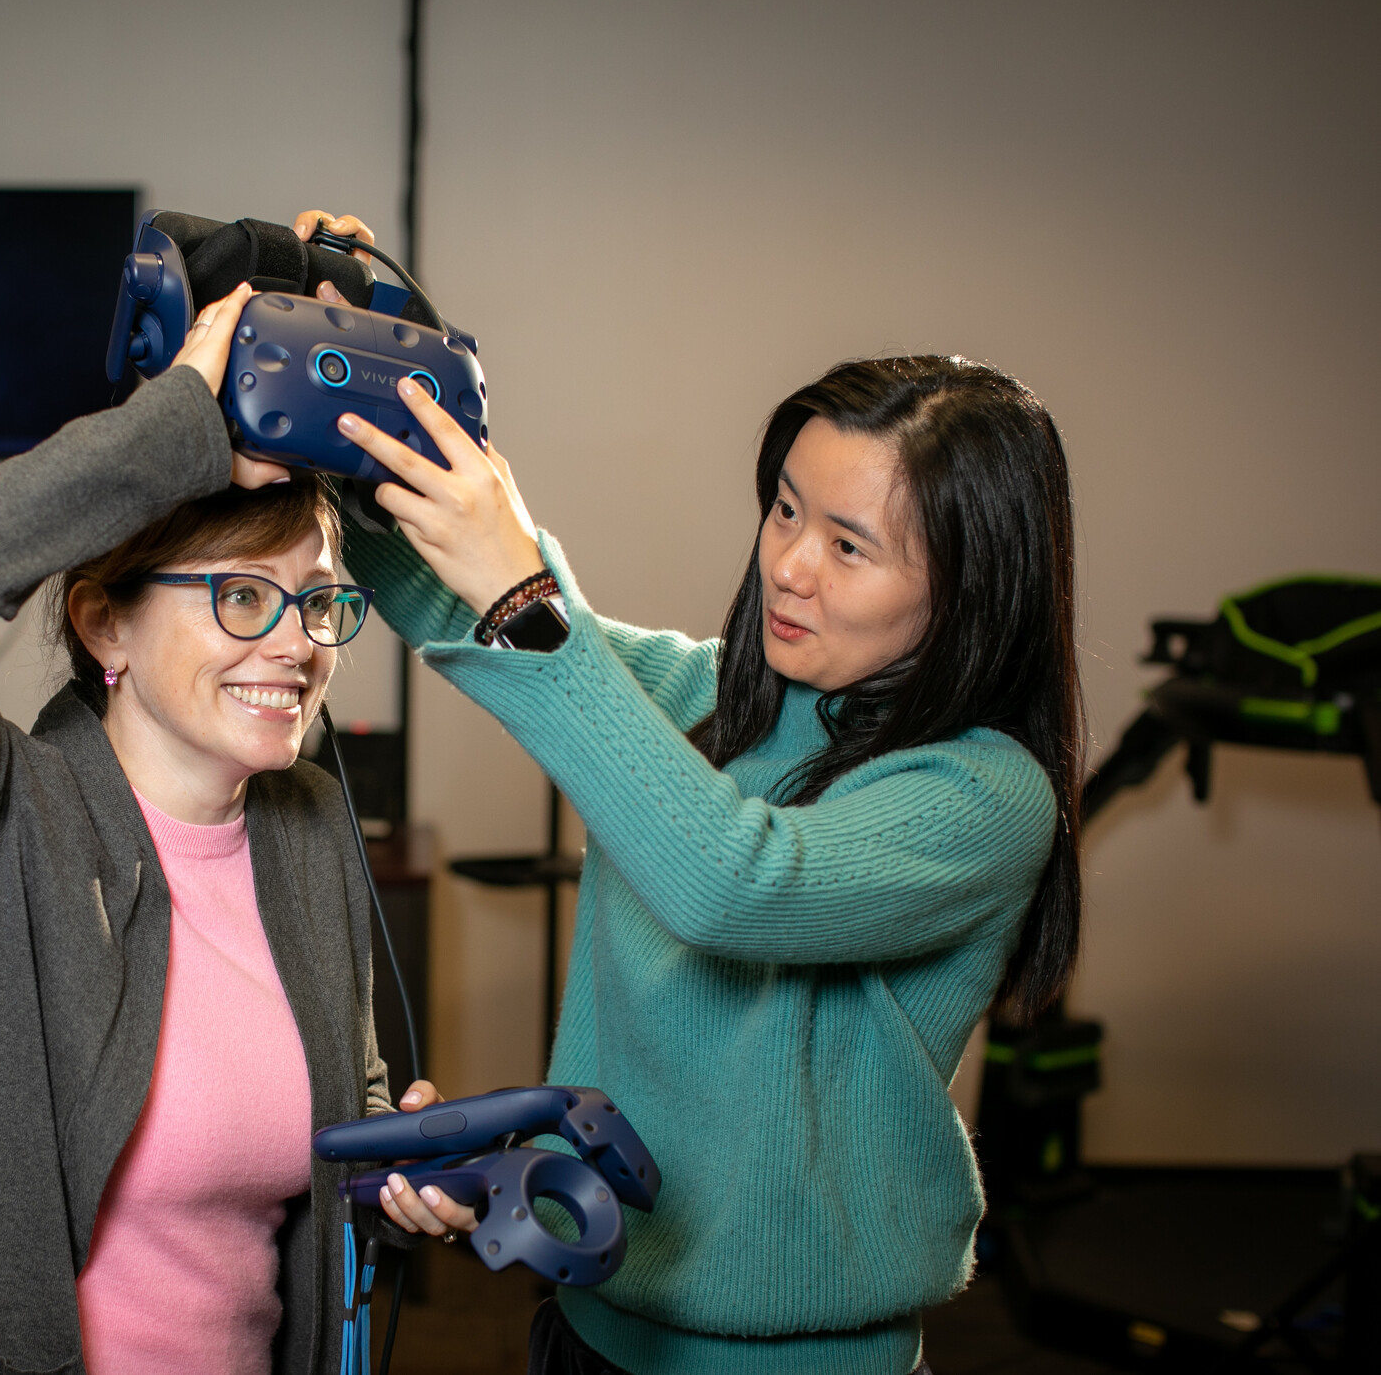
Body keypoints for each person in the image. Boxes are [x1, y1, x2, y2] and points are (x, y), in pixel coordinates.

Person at [298, 207, 1082, 1375]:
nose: (789, 565)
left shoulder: (982, 794)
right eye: (783, 510)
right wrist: (353, 401)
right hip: (590, 1322)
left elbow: (735, 879)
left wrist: (523, 594)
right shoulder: (727, 698)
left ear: (971, 584)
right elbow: (477, 610)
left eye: (850, 545)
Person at [0, 280, 436, 1375]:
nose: (296, 645)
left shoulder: (307, 821)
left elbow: (341, 1105)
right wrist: (177, 429)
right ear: (105, 621)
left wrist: (400, 1166)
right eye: (243, 597)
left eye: (319, 600)